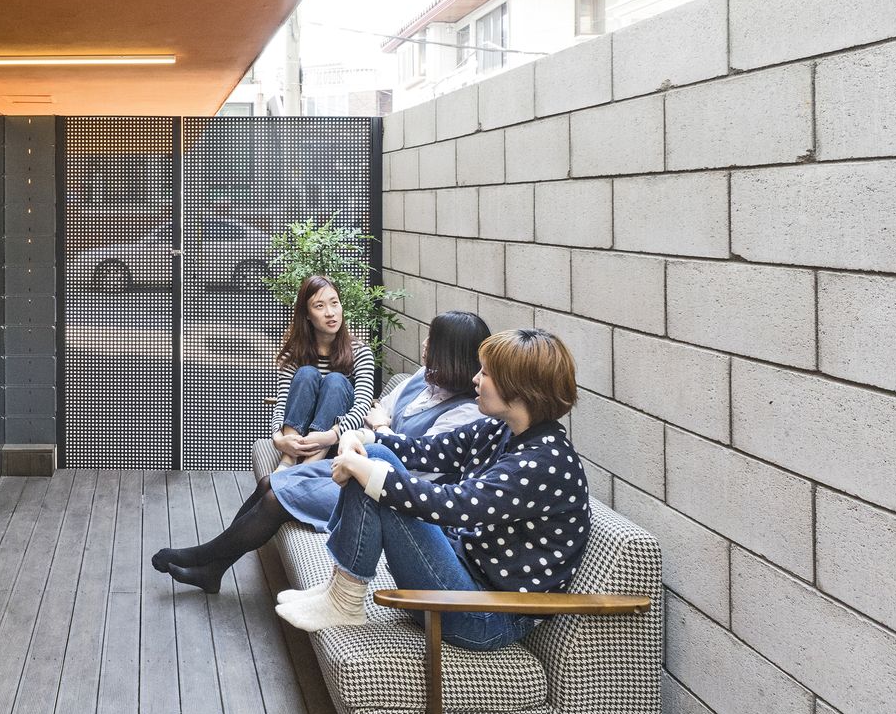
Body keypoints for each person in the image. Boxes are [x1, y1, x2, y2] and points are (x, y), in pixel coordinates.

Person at [274, 328, 590, 652]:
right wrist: (361, 438)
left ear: (519, 390)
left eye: (486, 374)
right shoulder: (501, 429)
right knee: (377, 455)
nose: (475, 379)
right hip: (460, 575)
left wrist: (363, 469)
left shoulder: (545, 464)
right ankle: (340, 591)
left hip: (485, 616)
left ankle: (343, 600)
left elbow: (456, 506)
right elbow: (428, 449)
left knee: (376, 470)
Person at [151, 311, 491, 594]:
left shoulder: (465, 412)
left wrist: (381, 428)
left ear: (449, 352)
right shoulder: (421, 378)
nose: (424, 344)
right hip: (358, 465)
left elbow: (414, 469)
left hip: (383, 497)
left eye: (432, 340)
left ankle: (203, 557)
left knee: (275, 499)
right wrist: (374, 428)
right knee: (269, 482)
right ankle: (213, 569)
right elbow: (376, 412)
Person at [271, 274, 376, 469]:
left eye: (334, 303)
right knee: (307, 374)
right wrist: (278, 439)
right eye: (319, 306)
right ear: (307, 314)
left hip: (339, 440)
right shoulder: (294, 353)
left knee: (335, 381)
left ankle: (307, 468)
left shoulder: (360, 352)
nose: (330, 313)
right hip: (298, 440)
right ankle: (287, 461)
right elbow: (282, 401)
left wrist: (331, 435)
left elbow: (362, 406)